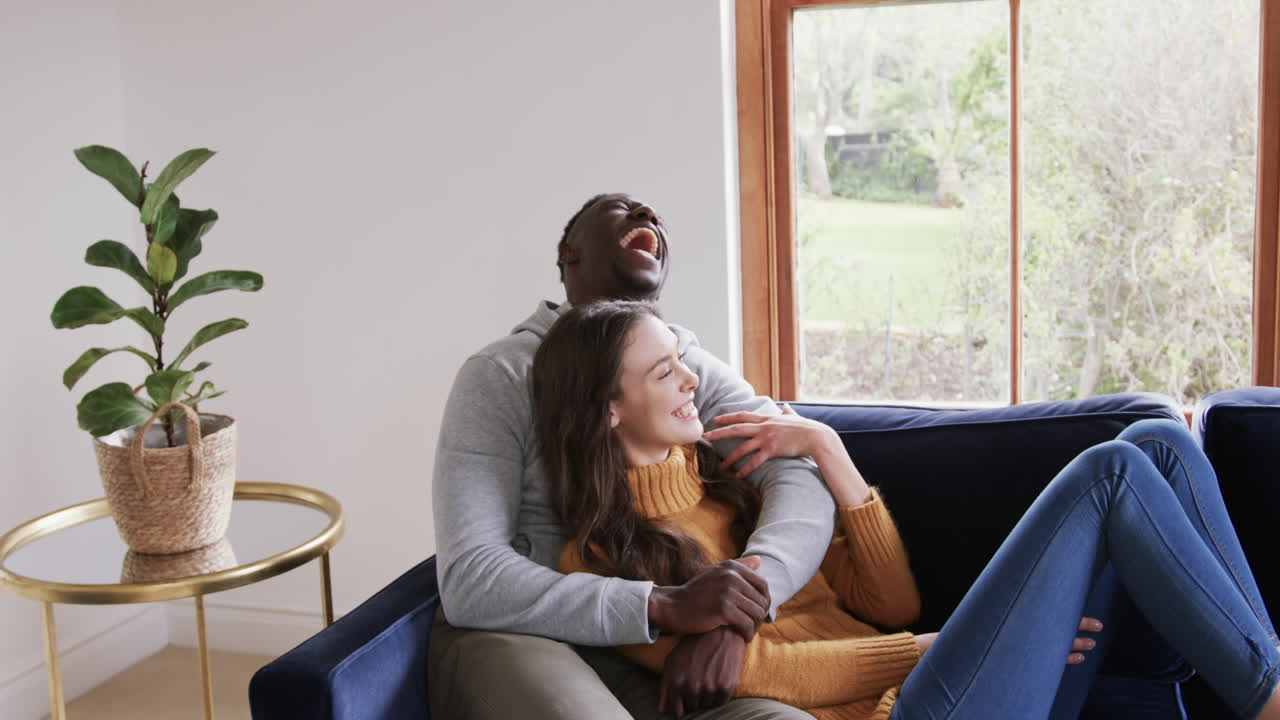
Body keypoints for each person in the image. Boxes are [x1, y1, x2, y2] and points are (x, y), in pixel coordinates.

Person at [531, 299, 1280, 720]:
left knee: (1157, 442)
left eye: (683, 361)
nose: (693, 381)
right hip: (901, 716)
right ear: (607, 409)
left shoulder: (740, 481)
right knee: (1111, 468)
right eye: (665, 372)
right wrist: (939, 648)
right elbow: (766, 677)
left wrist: (829, 451)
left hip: (949, 691)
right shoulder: (598, 559)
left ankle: (1269, 686)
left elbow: (889, 601)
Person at [429, 194, 836, 720]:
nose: (648, 217)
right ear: (568, 253)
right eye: (622, 209)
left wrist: (737, 613)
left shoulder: (683, 365)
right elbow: (471, 576)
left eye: (653, 214)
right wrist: (660, 605)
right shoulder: (501, 374)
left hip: (663, 653)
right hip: (529, 637)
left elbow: (794, 471)